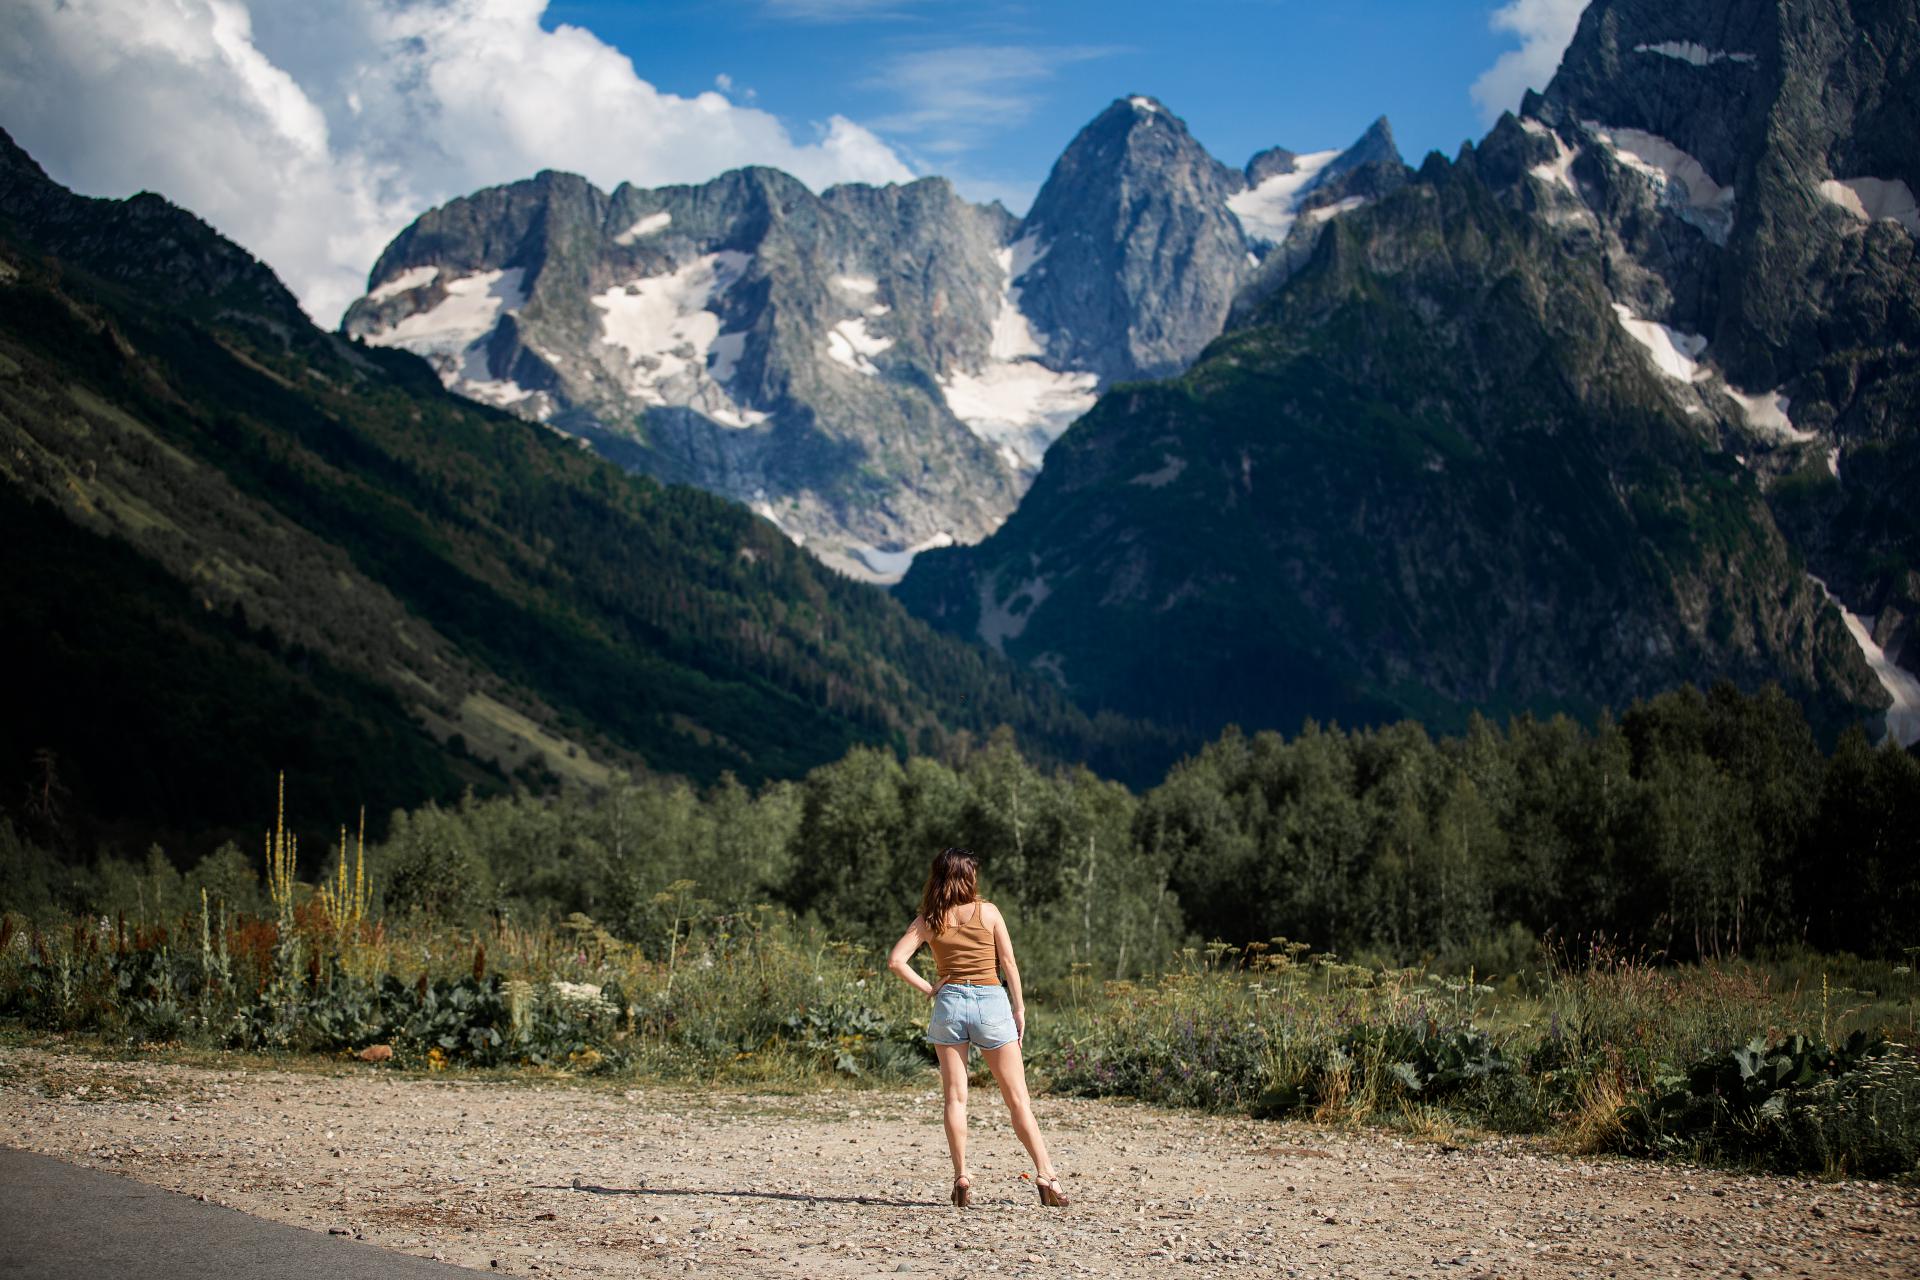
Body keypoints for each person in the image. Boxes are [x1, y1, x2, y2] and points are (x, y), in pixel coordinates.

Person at [887, 846, 1070, 1209]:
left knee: (955, 1097)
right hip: (991, 1002)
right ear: (968, 877)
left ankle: (962, 1175)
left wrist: (930, 987)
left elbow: (895, 961)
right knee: (1018, 1099)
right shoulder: (989, 912)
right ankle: (1047, 1175)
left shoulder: (929, 919)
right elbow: (1009, 964)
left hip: (950, 1005)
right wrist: (1019, 1008)